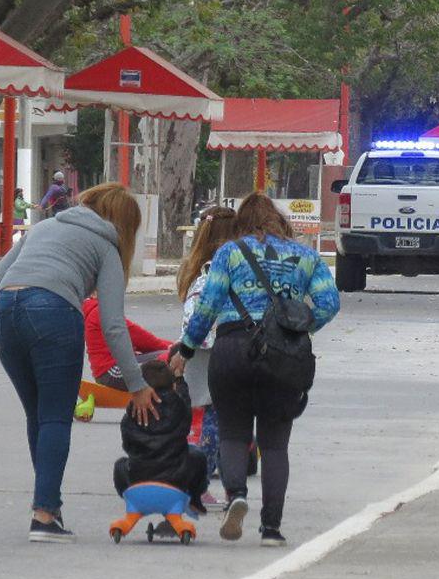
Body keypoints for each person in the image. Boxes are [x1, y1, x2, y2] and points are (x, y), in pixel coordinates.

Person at [170, 193, 340, 546]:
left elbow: (208, 305)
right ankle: (272, 529)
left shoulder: (229, 253)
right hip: (283, 356)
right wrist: (298, 330)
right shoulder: (306, 256)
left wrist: (185, 350)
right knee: (275, 445)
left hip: (232, 348)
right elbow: (329, 302)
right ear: (278, 220)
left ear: (242, 223)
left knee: (233, 433)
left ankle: (236, 496)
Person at [0, 183, 157, 543]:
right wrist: (137, 385)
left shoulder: (44, 226)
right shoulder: (107, 246)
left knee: (38, 416)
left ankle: (47, 505)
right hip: (54, 313)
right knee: (55, 417)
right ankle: (44, 515)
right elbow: (114, 326)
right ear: (124, 225)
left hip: (5, 311)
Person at [175, 205, 241, 488]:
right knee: (223, 416)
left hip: (197, 350)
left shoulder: (194, 268)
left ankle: (192, 475)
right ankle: (217, 480)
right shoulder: (238, 263)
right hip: (232, 346)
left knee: (197, 414)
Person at [112, 360, 209, 514]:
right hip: (176, 480)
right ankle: (195, 499)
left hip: (139, 478)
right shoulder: (180, 407)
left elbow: (127, 444)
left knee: (120, 465)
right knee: (197, 456)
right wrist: (180, 379)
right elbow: (186, 400)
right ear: (172, 386)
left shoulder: (132, 411)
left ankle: (133, 499)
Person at [83, 294, 172, 390]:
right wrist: (172, 348)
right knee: (167, 361)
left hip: (108, 371)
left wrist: (172, 347)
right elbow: (138, 336)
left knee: (168, 355)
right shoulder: (102, 312)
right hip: (112, 371)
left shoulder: (96, 310)